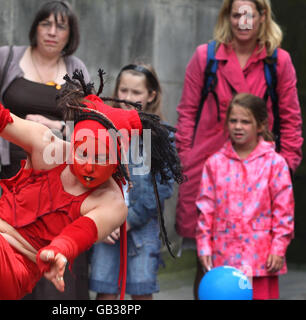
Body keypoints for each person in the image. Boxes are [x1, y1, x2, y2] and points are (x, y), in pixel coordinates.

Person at [0, 17, 183, 300]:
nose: (89, 165)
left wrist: (60, 250)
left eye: (102, 157)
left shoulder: (112, 201)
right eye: (83, 152)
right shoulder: (48, 147)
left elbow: (82, 231)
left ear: (118, 157)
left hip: (11, 267)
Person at [174, 0, 303, 299]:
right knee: (205, 263)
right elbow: (186, 112)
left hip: (260, 177)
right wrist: (185, 160)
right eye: (236, 14)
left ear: (262, 17)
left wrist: (284, 166)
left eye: (250, 14)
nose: (243, 21)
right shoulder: (205, 58)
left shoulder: (277, 61)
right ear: (227, 17)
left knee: (259, 269)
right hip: (206, 169)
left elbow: (291, 119)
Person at [0, 1, 91, 300]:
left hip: (63, 184)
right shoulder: (6, 57)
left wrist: (56, 129)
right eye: (45, 24)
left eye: (60, 26)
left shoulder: (77, 69)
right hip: (17, 179)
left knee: (57, 269)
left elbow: (92, 129)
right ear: (34, 27)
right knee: (14, 259)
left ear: (70, 34)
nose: (52, 32)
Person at [196, 93, 294, 300]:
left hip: (261, 258)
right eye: (233, 120)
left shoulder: (275, 163)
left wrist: (279, 247)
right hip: (224, 257)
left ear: (260, 125)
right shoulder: (214, 163)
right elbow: (205, 209)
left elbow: (284, 211)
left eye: (245, 121)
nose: (238, 126)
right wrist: (204, 245)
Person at [89, 63, 175, 300]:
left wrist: (127, 220)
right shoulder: (101, 130)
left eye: (136, 93)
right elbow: (88, 178)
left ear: (151, 95)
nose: (128, 98)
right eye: (123, 90)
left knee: (141, 290)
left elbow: (162, 188)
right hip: (106, 225)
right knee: (105, 290)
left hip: (142, 225)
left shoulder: (161, 137)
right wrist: (101, 220)